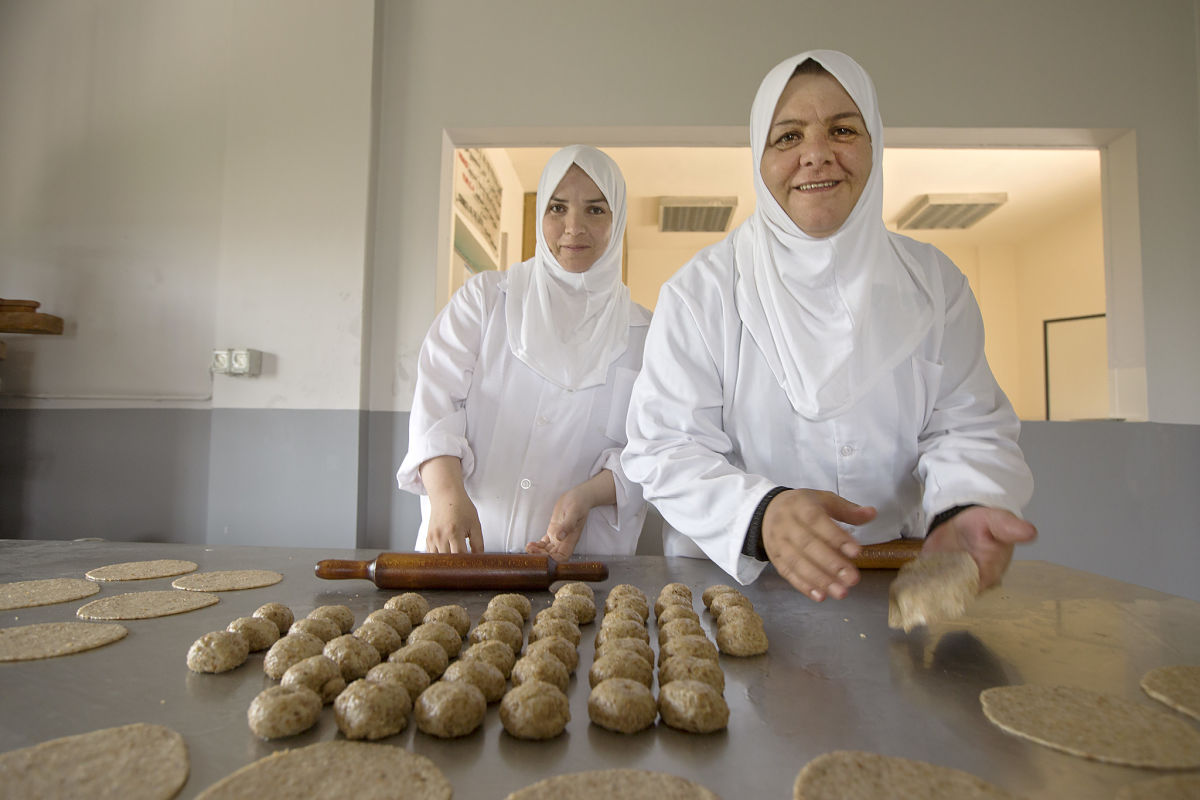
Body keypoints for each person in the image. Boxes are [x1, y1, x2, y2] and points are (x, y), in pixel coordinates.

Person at [622, 50, 1036, 601]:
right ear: (759, 158)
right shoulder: (702, 292)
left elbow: (966, 427)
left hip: (897, 581)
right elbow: (662, 447)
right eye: (788, 137)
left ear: (874, 144)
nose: (816, 155)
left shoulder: (934, 285)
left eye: (842, 129)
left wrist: (966, 504)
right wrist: (759, 514)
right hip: (734, 587)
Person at [397, 145, 650, 561]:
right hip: (466, 553)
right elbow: (437, 403)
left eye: (595, 210)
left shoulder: (646, 335)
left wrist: (587, 496)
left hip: (579, 565)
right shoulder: (485, 301)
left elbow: (651, 449)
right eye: (557, 208)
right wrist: (446, 494)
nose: (574, 227)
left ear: (618, 218)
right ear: (541, 216)